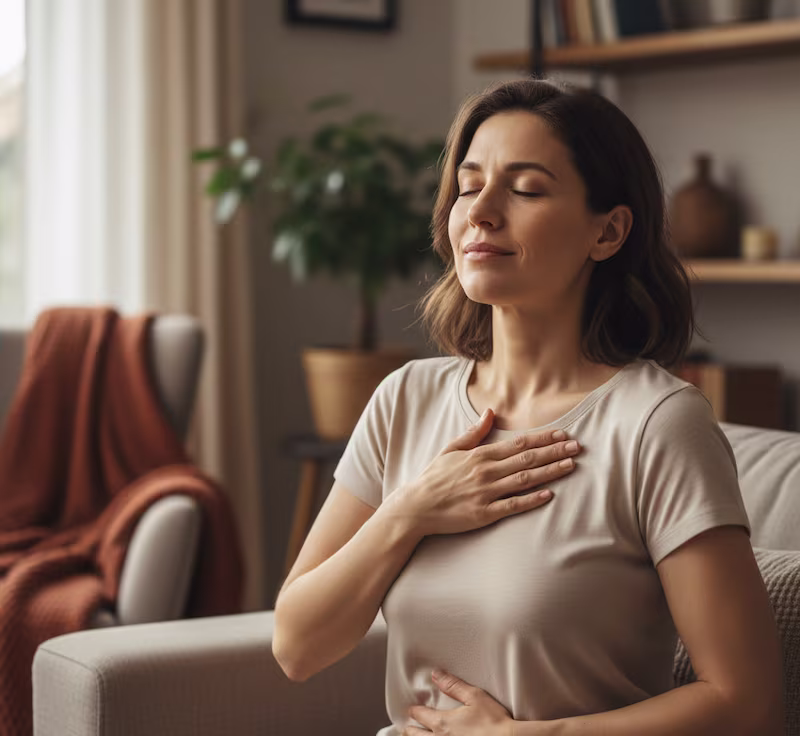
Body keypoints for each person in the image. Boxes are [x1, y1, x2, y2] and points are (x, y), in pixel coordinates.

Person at [272, 79, 784, 736]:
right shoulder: (405, 398)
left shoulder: (658, 425)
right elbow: (297, 647)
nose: (480, 212)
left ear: (609, 231)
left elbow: (747, 701)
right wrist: (411, 511)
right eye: (467, 185)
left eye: (526, 189)